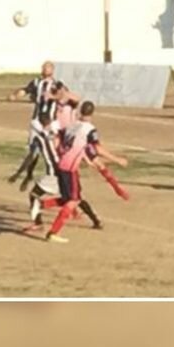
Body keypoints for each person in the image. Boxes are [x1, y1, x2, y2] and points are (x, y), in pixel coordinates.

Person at [43, 101, 127, 243]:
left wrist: (83, 158)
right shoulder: (89, 129)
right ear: (92, 113)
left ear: (81, 111)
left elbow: (59, 140)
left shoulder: (72, 125)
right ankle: (53, 232)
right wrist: (117, 159)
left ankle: (41, 205)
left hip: (62, 165)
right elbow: (98, 149)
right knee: (73, 200)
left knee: (72, 197)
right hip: (70, 168)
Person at [22, 113, 103, 232]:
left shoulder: (38, 138)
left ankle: (38, 222)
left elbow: (33, 157)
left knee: (34, 195)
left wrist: (28, 174)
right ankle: (96, 220)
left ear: (39, 123)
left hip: (53, 173)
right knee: (76, 197)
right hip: (67, 169)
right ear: (50, 121)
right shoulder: (59, 134)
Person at [7, 61, 65, 191]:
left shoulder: (56, 84)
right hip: (37, 121)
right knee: (34, 150)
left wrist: (52, 96)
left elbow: (62, 95)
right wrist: (15, 95)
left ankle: (55, 173)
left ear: (52, 70)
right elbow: (25, 90)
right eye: (43, 67)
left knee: (52, 149)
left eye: (47, 67)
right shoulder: (36, 82)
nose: (44, 69)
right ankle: (29, 175)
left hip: (51, 122)